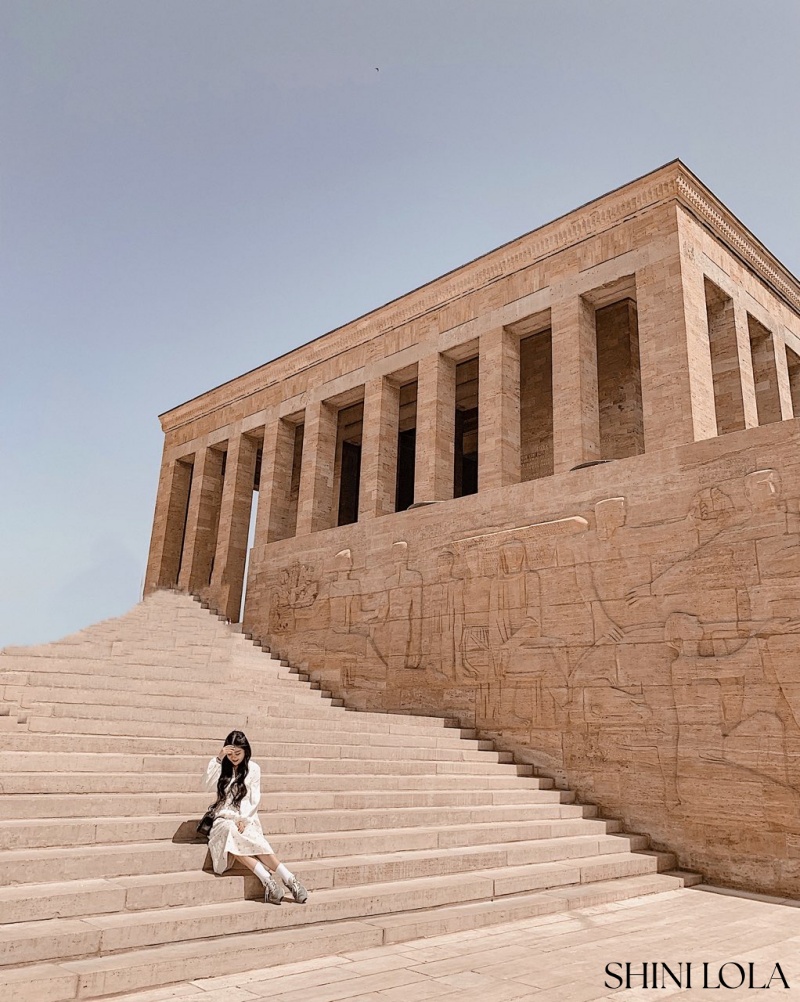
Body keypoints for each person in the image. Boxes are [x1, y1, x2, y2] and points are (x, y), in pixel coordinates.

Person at [202, 730, 308, 905]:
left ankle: (289, 879)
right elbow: (206, 785)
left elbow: (253, 799)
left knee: (246, 836)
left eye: (238, 753)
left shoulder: (253, 769)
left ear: (245, 751)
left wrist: (243, 819)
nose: (234, 757)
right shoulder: (221, 767)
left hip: (246, 817)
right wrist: (219, 758)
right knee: (230, 832)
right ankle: (268, 880)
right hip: (223, 819)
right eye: (231, 753)